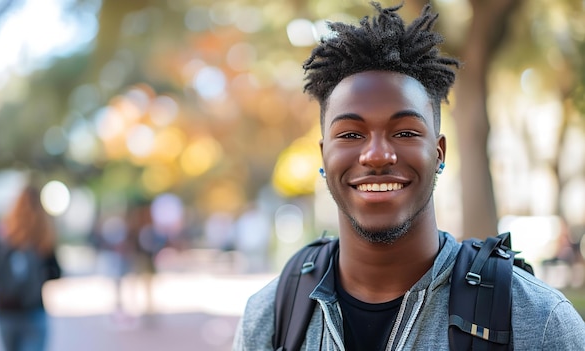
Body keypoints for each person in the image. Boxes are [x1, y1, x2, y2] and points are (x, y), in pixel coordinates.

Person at [232, 2, 585, 350]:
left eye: (405, 132)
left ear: (439, 152)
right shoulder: (270, 317)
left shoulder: (537, 321)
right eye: (351, 134)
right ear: (323, 155)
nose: (377, 155)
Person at [0, 185, 62, 351]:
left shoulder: (1, 234)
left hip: (6, 311)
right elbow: (56, 272)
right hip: (33, 309)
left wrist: (3, 286)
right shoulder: (42, 235)